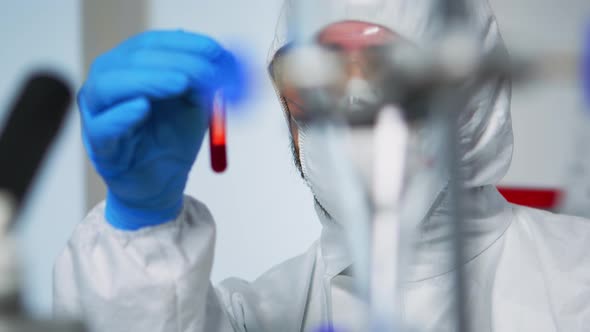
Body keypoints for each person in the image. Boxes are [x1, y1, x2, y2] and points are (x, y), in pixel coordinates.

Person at [54, 1, 590, 331]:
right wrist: (141, 226)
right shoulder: (262, 315)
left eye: (391, 76)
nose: (351, 110)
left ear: (472, 100)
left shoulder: (578, 281)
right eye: (316, 81)